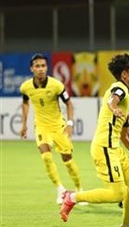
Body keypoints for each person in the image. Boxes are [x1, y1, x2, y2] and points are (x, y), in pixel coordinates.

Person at [60, 53, 129, 227]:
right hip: (104, 147)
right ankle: (72, 198)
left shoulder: (126, 97)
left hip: (115, 148)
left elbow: (124, 136)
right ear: (124, 75)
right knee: (117, 193)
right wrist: (114, 108)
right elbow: (113, 100)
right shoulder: (119, 88)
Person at [20, 53, 85, 204]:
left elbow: (69, 104)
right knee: (46, 157)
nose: (41, 69)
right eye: (37, 66)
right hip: (42, 127)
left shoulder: (57, 85)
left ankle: (79, 190)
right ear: (32, 68)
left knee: (67, 160)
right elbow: (25, 102)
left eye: (43, 66)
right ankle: (60, 190)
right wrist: (24, 124)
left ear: (47, 67)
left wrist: (69, 124)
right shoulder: (26, 87)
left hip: (58, 126)